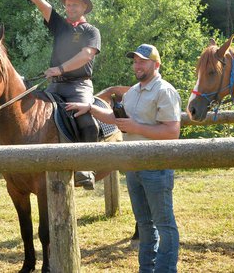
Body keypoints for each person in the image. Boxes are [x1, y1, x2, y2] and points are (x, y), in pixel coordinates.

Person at [66, 43, 181, 272]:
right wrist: (90, 108)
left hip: (156, 167)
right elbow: (115, 118)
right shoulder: (134, 91)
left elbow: (172, 132)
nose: (137, 65)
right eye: (135, 61)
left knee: (164, 224)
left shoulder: (164, 91)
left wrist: (136, 126)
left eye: (143, 61)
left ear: (156, 65)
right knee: (145, 225)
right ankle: (146, 269)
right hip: (133, 167)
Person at [8, 0, 101, 189]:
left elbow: (86, 55)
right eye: (68, 5)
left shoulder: (91, 31)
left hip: (79, 86)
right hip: (55, 86)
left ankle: (86, 168)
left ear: (84, 8)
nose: (70, 8)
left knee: (86, 120)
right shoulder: (60, 25)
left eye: (75, 5)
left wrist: (59, 68)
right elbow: (42, 4)